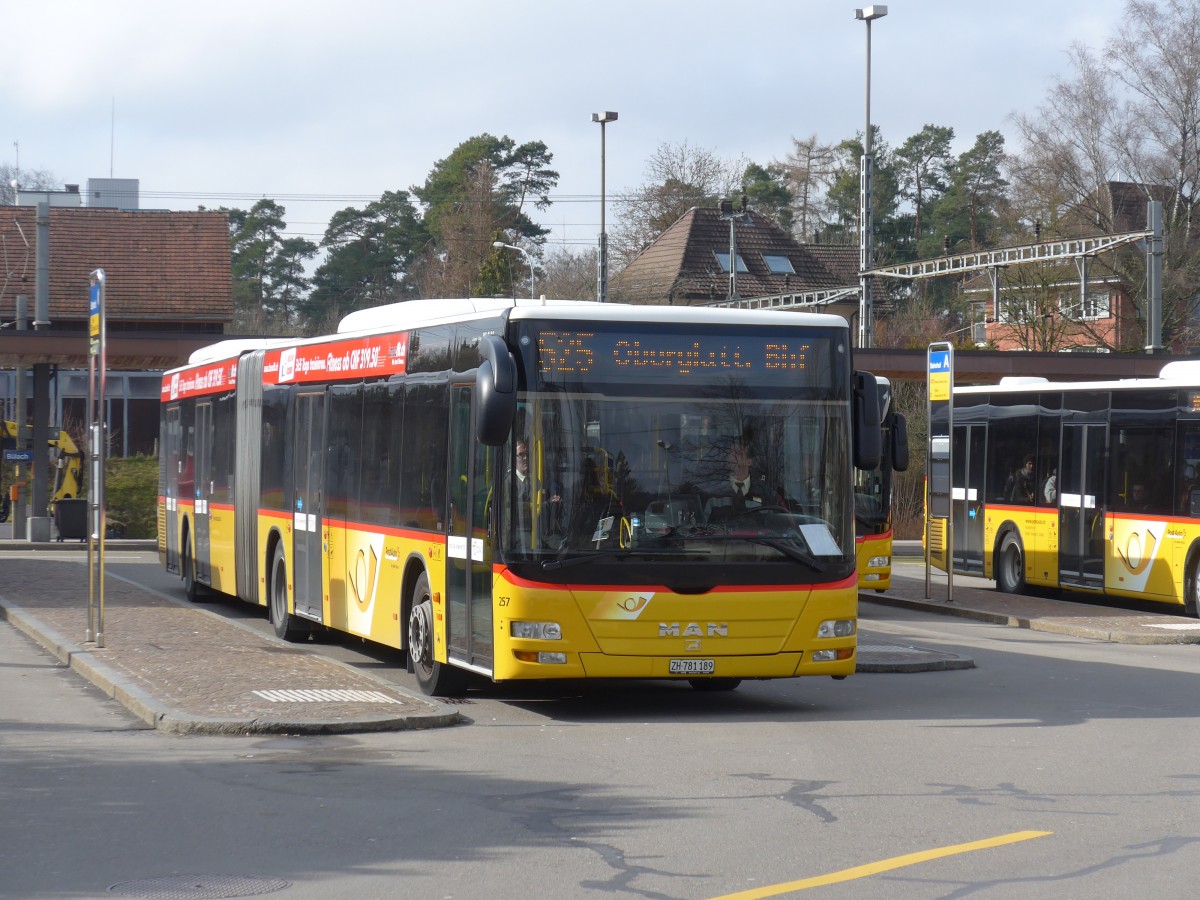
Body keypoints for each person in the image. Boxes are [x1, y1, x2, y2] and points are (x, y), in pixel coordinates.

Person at [706, 441, 771, 522]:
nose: (731, 455)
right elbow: (702, 528)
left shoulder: (765, 493)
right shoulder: (714, 492)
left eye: (738, 453)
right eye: (730, 452)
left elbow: (771, 526)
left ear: (749, 461)